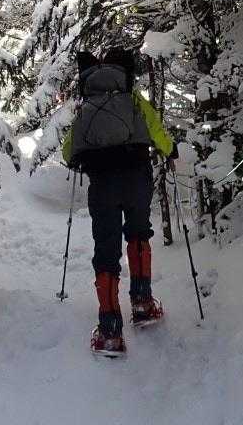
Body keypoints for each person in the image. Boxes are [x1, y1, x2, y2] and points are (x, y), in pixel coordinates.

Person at [61, 46, 175, 357]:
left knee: (106, 249)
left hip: (103, 184)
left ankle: (110, 333)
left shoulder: (87, 107)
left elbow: (68, 152)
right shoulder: (133, 99)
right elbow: (157, 132)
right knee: (139, 233)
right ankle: (143, 304)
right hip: (137, 176)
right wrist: (169, 150)